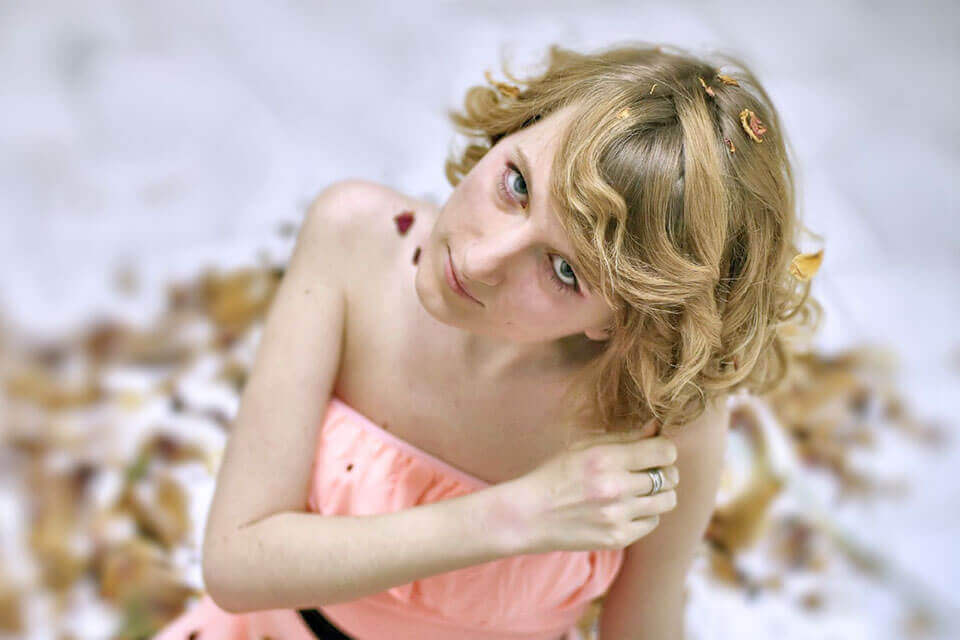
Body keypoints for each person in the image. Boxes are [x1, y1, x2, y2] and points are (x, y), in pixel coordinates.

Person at [153, 41, 821, 640]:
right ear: (518, 125)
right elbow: (234, 564)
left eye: (565, 271)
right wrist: (511, 517)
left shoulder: (662, 417)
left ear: (621, 321)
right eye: (517, 185)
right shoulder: (353, 237)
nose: (478, 261)